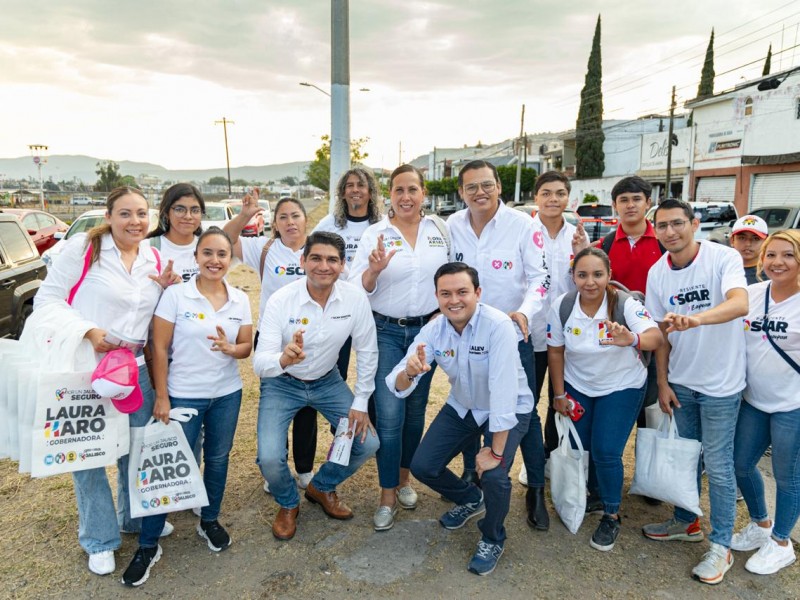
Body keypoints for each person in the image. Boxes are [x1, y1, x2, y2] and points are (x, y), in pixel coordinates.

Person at [33, 186, 177, 576]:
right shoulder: (84, 249)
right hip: (86, 369)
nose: (135, 222)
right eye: (126, 214)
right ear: (109, 216)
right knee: (89, 457)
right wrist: (89, 331)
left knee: (136, 448)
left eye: (142, 214)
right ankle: (99, 539)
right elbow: (47, 300)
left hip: (135, 371)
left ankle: (132, 518)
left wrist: (164, 288)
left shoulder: (154, 256)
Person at [122, 227, 253, 587]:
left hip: (227, 393)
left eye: (222, 254)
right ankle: (149, 544)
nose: (215, 260)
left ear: (231, 260)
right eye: (207, 253)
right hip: (183, 395)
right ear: (196, 257)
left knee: (219, 459)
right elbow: (158, 349)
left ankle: (208, 520)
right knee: (167, 465)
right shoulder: (176, 296)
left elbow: (246, 347)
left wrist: (233, 350)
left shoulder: (239, 299)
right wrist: (162, 396)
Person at [387, 262, 532, 576]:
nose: (454, 300)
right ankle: (471, 498)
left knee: (494, 475)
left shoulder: (497, 325)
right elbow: (396, 381)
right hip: (463, 406)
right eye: (446, 293)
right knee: (424, 465)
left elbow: (503, 391)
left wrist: (494, 452)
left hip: (506, 409)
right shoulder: (434, 329)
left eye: (462, 292)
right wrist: (409, 373)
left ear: (478, 293)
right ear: (437, 297)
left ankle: (493, 537)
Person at [642, 199, 749, 585]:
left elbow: (740, 304)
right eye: (663, 227)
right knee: (688, 458)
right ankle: (687, 522)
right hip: (682, 383)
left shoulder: (723, 258)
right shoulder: (658, 273)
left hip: (722, 384)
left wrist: (697, 318)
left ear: (695, 223)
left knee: (719, 466)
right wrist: (663, 382)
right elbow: (661, 337)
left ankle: (721, 547)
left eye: (677, 224)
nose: (670, 232)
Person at [448, 161, 556, 531]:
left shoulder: (525, 226)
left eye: (486, 185)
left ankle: (536, 489)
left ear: (499, 187)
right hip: (467, 336)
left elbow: (542, 279)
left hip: (513, 336)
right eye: (471, 187)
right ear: (461, 192)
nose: (480, 193)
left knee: (524, 414)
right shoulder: (452, 226)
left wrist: (523, 314)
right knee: (470, 405)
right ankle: (472, 477)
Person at [254, 231, 379, 541]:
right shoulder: (281, 300)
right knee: (269, 457)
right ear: (303, 261)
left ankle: (321, 487)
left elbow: (367, 350)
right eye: (316, 258)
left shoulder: (354, 298)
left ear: (342, 264)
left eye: (332, 260)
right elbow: (260, 363)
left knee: (368, 443)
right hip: (281, 383)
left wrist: (360, 402)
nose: (324, 266)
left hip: (327, 380)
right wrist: (283, 359)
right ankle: (287, 502)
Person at [349, 164, 450, 531]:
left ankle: (405, 479)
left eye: (412, 189)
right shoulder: (376, 234)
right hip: (385, 333)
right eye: (398, 190)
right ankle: (387, 493)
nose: (406, 197)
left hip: (428, 333)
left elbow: (451, 274)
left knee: (414, 412)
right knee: (389, 415)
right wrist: (373, 270)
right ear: (389, 195)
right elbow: (355, 286)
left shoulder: (440, 230)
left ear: (424, 193)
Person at [547, 247, 663, 551]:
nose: (590, 282)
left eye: (598, 274)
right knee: (581, 447)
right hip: (578, 384)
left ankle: (611, 513)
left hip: (621, 385)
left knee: (607, 451)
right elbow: (556, 351)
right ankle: (594, 495)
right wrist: (559, 394)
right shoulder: (563, 305)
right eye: (582, 274)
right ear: (572, 276)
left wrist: (632, 339)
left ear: (609, 275)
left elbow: (655, 337)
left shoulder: (625, 304)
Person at [224, 195, 318, 492]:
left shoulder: (317, 250)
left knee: (306, 405)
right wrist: (245, 215)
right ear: (275, 224)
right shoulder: (263, 248)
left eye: (295, 216)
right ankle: (274, 468)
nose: (290, 222)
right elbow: (225, 239)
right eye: (283, 217)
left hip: (310, 339)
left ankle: (304, 469)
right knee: (275, 405)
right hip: (271, 338)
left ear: (305, 219)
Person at [592, 175, 666, 507]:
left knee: (651, 414)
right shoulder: (605, 246)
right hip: (614, 346)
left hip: (655, 342)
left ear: (648, 203)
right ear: (615, 206)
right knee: (614, 414)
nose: (631, 205)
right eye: (624, 200)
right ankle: (606, 477)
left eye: (637, 199)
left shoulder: (665, 241)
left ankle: (649, 481)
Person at [731, 230, 800, 575]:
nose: (778, 262)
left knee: (788, 476)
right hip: (754, 400)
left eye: (788, 255)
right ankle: (760, 525)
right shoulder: (754, 294)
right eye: (771, 255)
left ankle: (782, 543)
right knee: (740, 463)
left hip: (793, 405)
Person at [525, 171, 588, 502]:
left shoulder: (577, 235)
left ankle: (551, 457)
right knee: (528, 401)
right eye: (546, 193)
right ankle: (531, 460)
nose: (553, 199)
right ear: (536, 198)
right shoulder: (524, 231)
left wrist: (583, 251)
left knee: (560, 400)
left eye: (560, 193)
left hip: (567, 334)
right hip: (531, 331)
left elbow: (586, 281)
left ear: (568, 198)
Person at [313, 167, 383, 381]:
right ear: (342, 193)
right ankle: (337, 409)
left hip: (374, 304)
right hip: (337, 302)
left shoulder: (381, 225)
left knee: (373, 366)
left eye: (361, 185)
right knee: (335, 367)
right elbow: (312, 255)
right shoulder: (329, 224)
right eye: (349, 186)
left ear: (370, 192)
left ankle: (370, 413)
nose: (355, 190)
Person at [146, 183, 205, 282]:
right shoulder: (148, 248)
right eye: (180, 209)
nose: (188, 216)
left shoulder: (209, 246)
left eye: (195, 210)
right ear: (166, 213)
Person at [729, 214, 769, 285]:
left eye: (756, 238)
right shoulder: (722, 269)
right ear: (732, 240)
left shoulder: (771, 273)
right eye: (742, 238)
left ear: (766, 242)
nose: (748, 244)